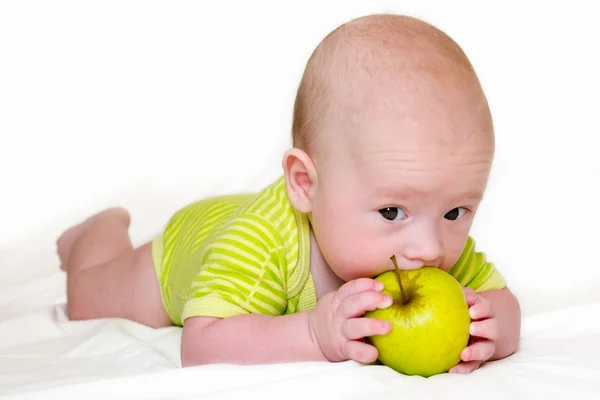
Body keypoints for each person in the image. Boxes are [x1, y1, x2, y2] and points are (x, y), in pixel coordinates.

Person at [57, 13, 521, 374]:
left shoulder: (435, 249)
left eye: (457, 211)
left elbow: (506, 304)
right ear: (305, 185)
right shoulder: (262, 245)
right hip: (191, 247)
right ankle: (98, 231)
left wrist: (492, 329)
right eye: (392, 210)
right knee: (89, 296)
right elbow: (202, 342)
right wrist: (312, 336)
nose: (430, 248)